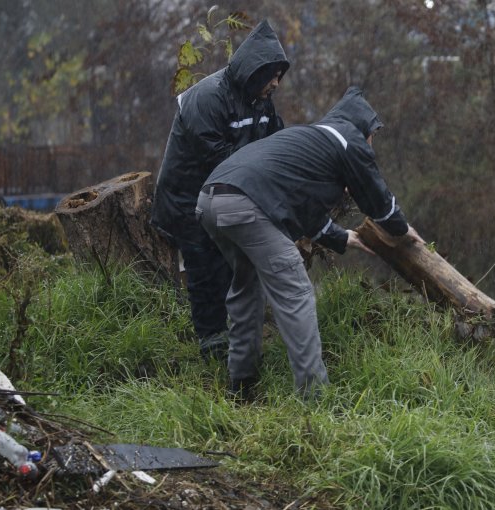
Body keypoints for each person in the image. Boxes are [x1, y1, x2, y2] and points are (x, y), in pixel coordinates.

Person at [197, 86, 423, 400]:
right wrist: (400, 229)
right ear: (364, 127)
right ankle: (314, 397)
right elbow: (377, 198)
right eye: (373, 136)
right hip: (245, 203)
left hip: (210, 200)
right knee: (296, 291)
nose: (371, 145)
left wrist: (344, 237)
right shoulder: (347, 139)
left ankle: (242, 386)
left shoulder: (307, 142)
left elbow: (303, 208)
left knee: (246, 286)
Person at [151, 21, 290, 362]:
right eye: (272, 74)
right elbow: (218, 159)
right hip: (187, 195)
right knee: (203, 265)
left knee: (230, 263)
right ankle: (211, 340)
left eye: (279, 76)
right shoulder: (206, 97)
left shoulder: (259, 100)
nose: (276, 83)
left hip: (226, 193)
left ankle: (234, 335)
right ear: (254, 69)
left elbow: (275, 143)